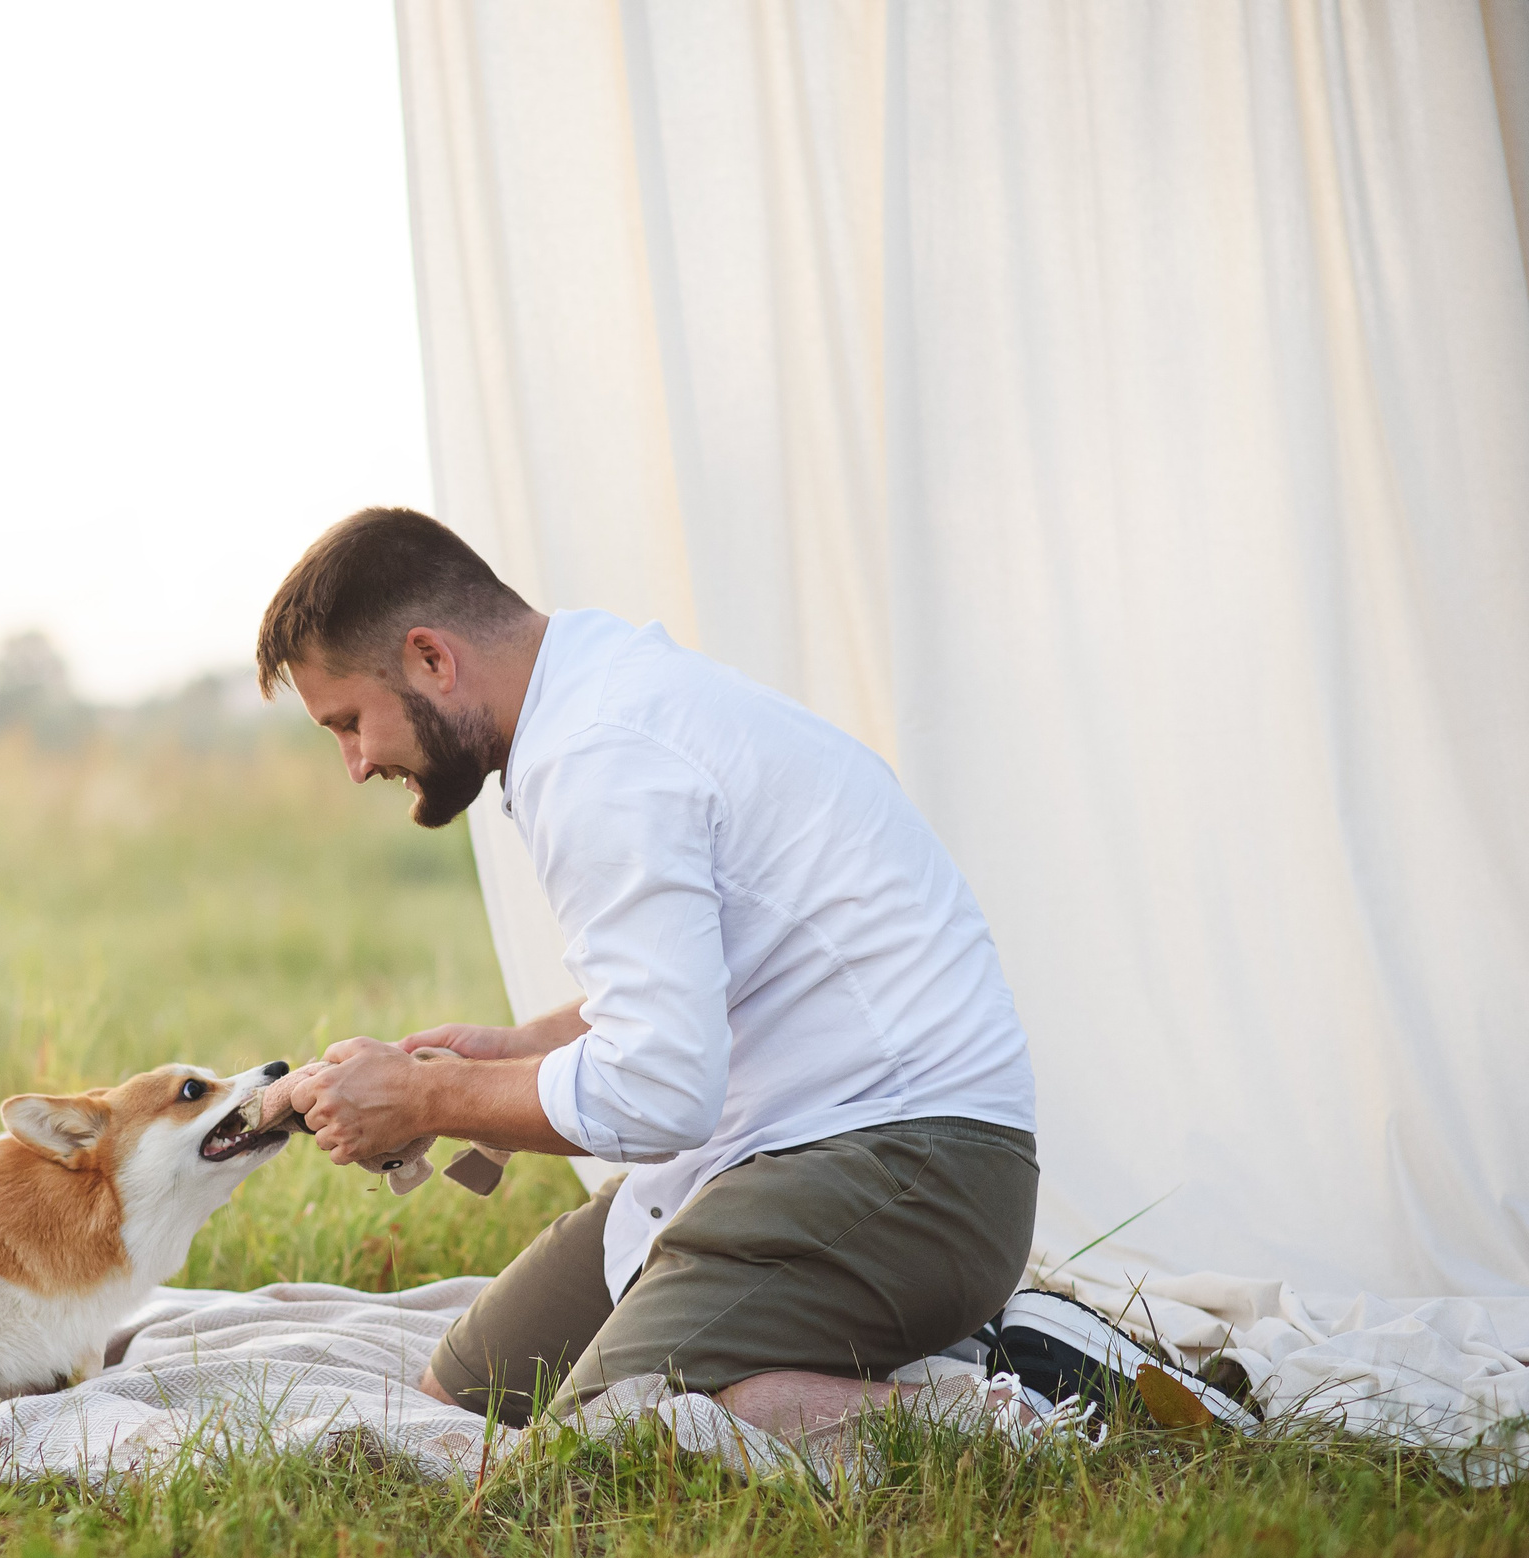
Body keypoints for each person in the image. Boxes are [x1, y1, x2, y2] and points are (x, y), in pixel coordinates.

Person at [260, 508, 1039, 1442]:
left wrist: (432, 1101)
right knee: (461, 1396)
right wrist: (512, 1051)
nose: (355, 765)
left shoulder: (596, 756)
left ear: (432, 658)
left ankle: (998, 1407)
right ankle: (822, 1361)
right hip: (771, 1154)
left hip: (916, 1170)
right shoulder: (592, 693)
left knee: (611, 1438)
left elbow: (661, 1092)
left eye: (349, 722)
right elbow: (685, 993)